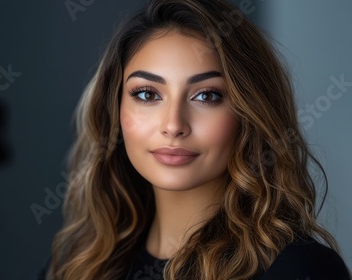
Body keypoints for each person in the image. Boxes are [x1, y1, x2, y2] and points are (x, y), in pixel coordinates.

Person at [39, 0, 351, 279]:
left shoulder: (299, 268)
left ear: (250, 114)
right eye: (147, 94)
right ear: (115, 109)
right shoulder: (77, 265)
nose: (174, 125)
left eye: (207, 95)